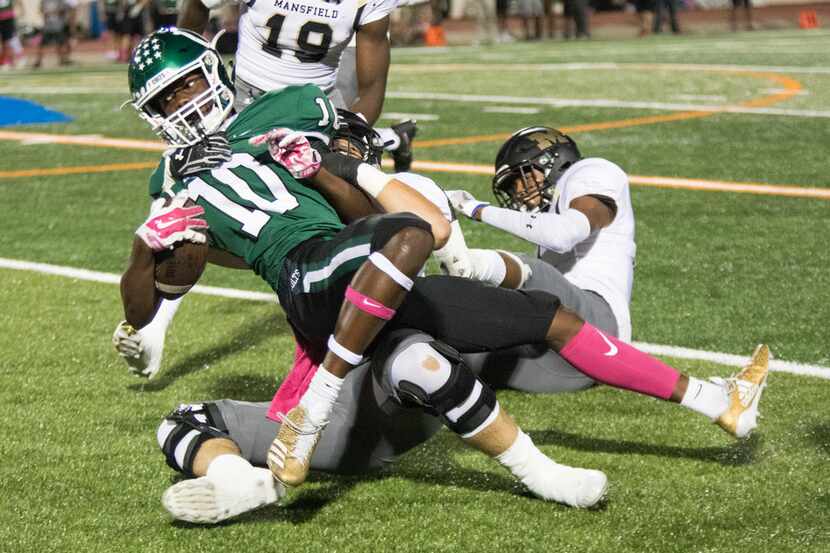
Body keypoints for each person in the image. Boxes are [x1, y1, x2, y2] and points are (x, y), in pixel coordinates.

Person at [176, 0, 416, 172]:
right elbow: (198, 4)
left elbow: (372, 87)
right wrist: (185, 70)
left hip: (315, 108)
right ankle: (393, 138)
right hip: (246, 98)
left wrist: (352, 135)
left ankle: (391, 142)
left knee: (339, 190)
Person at [34, 0, 71, 68]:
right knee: (42, 44)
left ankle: (62, 60)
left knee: (60, 43)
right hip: (48, 26)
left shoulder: (59, 1)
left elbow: (63, 11)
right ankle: (38, 61)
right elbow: (41, 11)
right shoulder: (44, 1)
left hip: (58, 25)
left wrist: (53, 12)